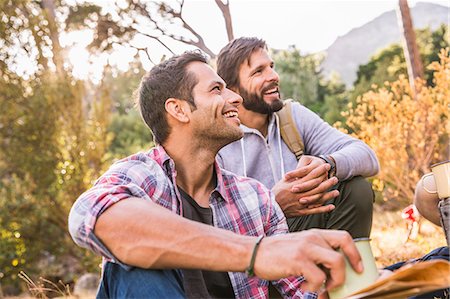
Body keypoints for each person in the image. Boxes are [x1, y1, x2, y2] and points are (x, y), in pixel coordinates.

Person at [68, 51, 363, 298]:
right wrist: (256, 253)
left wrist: (371, 283)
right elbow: (89, 214)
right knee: (129, 266)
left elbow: (303, 292)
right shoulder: (141, 176)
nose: (235, 98)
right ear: (179, 110)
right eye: (216, 90)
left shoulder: (257, 198)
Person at [216, 37, 380, 238]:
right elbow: (217, 221)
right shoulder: (219, 138)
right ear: (232, 90)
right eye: (259, 71)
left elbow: (367, 157)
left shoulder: (291, 116)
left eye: (271, 67)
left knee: (355, 189)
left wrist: (326, 165)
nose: (274, 76)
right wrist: (272, 203)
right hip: (253, 244)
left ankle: (348, 268)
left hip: (301, 227)